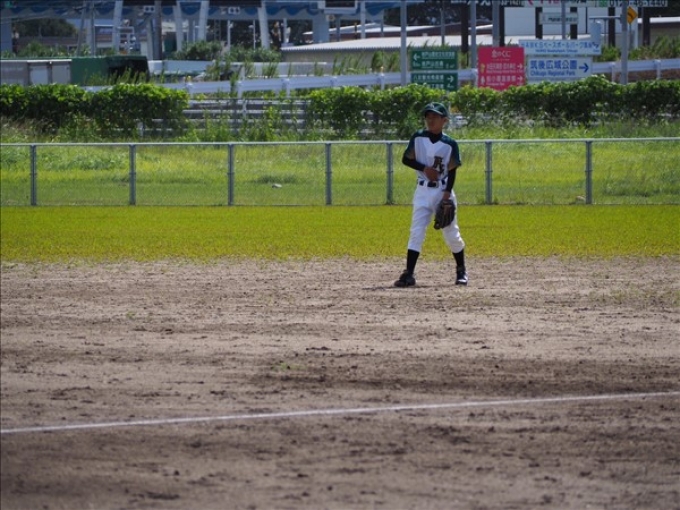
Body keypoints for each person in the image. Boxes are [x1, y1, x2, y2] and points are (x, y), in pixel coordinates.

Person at [394, 102, 467, 288]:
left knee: (451, 233)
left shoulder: (450, 144)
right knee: (416, 231)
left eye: (435, 116)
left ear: (444, 121)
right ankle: (409, 274)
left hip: (442, 191)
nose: (430, 119)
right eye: (428, 116)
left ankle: (461, 270)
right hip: (422, 190)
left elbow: (452, 171)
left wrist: (447, 194)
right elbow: (406, 159)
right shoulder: (418, 137)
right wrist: (424, 168)